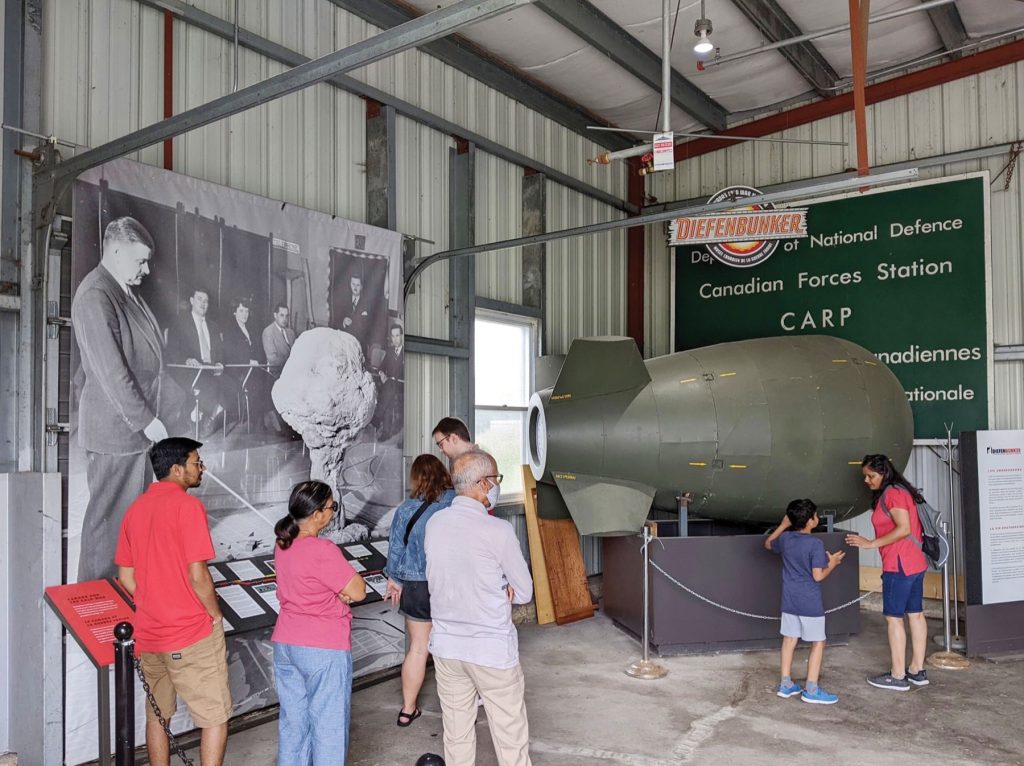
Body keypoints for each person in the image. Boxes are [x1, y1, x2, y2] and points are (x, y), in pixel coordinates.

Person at [114, 437, 231, 766]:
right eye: (197, 462)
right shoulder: (188, 506)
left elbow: (126, 577)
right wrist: (214, 614)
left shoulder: (135, 509)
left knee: (157, 716)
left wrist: (155, 604)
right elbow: (198, 575)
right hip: (191, 633)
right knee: (214, 716)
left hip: (149, 635)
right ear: (177, 469)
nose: (201, 468)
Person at [72, 216, 174, 582]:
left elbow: (149, 361)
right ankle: (94, 608)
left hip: (133, 435)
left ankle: (122, 602)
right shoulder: (96, 295)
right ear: (115, 251)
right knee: (108, 531)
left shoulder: (125, 291)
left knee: (129, 528)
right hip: (116, 436)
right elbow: (110, 373)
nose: (146, 270)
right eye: (140, 261)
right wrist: (147, 420)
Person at [425, 450, 534, 766]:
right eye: (496, 479)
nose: (497, 486)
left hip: (447, 647)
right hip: (491, 650)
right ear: (483, 483)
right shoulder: (497, 530)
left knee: (457, 735)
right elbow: (524, 591)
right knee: (510, 738)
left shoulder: (436, 523)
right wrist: (504, 589)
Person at [272, 480, 367, 765]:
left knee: (293, 724)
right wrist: (339, 593)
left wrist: (338, 590)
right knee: (328, 726)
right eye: (332, 507)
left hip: (286, 643)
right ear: (317, 515)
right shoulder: (323, 550)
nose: (333, 513)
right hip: (323, 648)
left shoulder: (282, 545)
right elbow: (358, 591)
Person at [846, 454, 930, 691]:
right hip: (915, 563)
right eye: (865, 476)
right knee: (915, 614)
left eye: (870, 475)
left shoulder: (892, 494)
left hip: (899, 564)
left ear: (883, 473)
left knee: (894, 618)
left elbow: (903, 529)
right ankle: (917, 670)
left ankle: (898, 675)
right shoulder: (902, 491)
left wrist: (871, 543)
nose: (867, 480)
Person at [383, 455, 456, 726]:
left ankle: (407, 709)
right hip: (450, 584)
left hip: (416, 585)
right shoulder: (456, 503)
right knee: (453, 647)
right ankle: (458, 713)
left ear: (416, 479)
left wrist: (394, 580)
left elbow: (396, 549)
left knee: (417, 648)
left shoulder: (406, 509)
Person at [764, 499, 845, 705]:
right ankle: (811, 689)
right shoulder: (815, 544)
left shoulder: (786, 538)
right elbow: (817, 576)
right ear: (810, 522)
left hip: (789, 600)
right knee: (818, 642)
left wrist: (783, 525)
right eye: (815, 516)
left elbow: (767, 543)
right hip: (810, 602)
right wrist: (833, 563)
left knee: (789, 639)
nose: (817, 518)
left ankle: (786, 684)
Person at [169, 287, 231, 438]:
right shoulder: (180, 323)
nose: (203, 304)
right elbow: (173, 349)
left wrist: (220, 363)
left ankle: (198, 414)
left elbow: (221, 352)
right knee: (208, 384)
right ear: (191, 301)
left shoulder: (213, 326)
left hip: (210, 368)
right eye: (199, 299)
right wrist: (186, 359)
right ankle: (211, 412)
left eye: (206, 301)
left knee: (228, 382)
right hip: (190, 368)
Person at [221, 297, 277, 433]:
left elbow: (257, 351)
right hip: (236, 370)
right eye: (241, 311)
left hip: (251, 369)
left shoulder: (249, 328)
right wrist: (248, 361)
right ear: (234, 312)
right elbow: (229, 354)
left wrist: (257, 361)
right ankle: (259, 422)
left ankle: (271, 417)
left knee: (270, 379)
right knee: (257, 383)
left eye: (246, 311)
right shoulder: (230, 330)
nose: (244, 314)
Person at [432, 418, 497, 514]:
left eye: (441, 444)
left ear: (453, 438)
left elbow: (489, 499)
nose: (441, 450)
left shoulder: (484, 461)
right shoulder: (455, 463)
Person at [373, 323, 404, 440]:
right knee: (389, 393)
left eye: (397, 335)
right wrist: (382, 374)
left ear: (402, 336)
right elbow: (381, 367)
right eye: (393, 336)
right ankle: (385, 432)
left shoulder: (406, 352)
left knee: (388, 389)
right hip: (389, 385)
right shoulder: (390, 351)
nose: (395, 339)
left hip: (402, 384)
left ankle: (377, 417)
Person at [340, 273, 372, 355]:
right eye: (353, 284)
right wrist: (343, 322)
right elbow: (337, 318)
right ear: (350, 284)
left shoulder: (367, 303)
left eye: (358, 285)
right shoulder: (344, 300)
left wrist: (352, 323)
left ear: (361, 287)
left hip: (359, 344)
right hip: (345, 342)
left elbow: (366, 326)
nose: (355, 287)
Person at [262, 303, 295, 368]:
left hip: (292, 370)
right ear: (275, 315)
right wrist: (292, 361)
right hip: (277, 373)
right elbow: (272, 359)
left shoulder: (291, 333)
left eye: (286, 316)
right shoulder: (268, 332)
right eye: (282, 315)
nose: (285, 319)